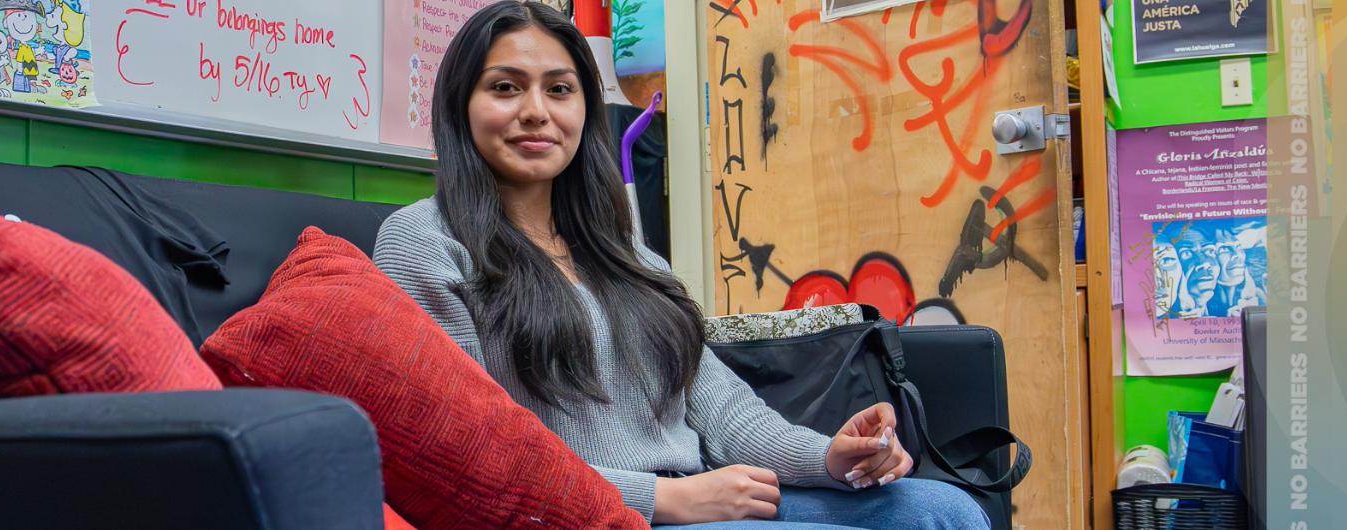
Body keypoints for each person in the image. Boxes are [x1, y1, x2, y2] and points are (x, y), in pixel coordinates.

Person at [370, 2, 988, 528]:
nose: (536, 110)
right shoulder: (423, 241)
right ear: (460, 105)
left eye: (559, 89)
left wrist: (835, 455)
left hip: (700, 496)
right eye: (505, 87)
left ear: (584, 110)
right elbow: (469, 449)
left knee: (940, 510)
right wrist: (665, 498)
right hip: (600, 512)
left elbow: (726, 413)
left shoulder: (625, 252)